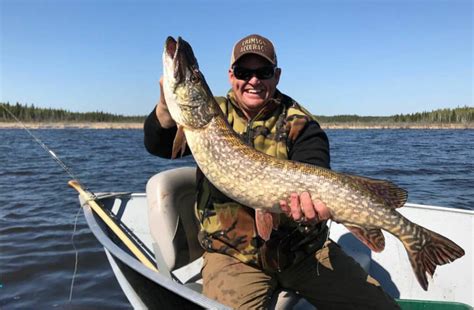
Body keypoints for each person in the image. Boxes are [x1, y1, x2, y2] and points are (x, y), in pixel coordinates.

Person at [144, 34, 399, 309]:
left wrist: (314, 209)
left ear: (276, 76)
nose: (253, 80)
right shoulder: (209, 116)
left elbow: (316, 170)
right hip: (232, 255)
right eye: (244, 72)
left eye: (263, 72)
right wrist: (164, 111)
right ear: (231, 76)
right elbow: (159, 145)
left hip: (304, 252)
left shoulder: (300, 123)